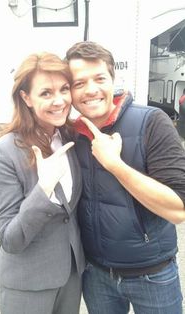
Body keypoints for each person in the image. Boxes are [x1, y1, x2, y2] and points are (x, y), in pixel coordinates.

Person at [65, 41, 185, 314]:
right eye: (79, 83)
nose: (91, 90)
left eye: (99, 78)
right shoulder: (72, 133)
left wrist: (115, 165)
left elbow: (179, 209)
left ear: (113, 80)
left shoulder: (151, 122)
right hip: (96, 274)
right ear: (70, 91)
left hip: (152, 274)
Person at [0, 52, 85, 314]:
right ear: (26, 98)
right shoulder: (3, 152)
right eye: (46, 93)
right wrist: (44, 189)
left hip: (71, 276)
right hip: (27, 284)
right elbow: (10, 238)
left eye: (64, 89)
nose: (59, 100)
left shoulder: (70, 136)